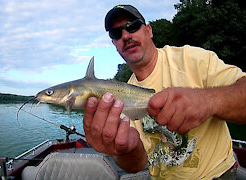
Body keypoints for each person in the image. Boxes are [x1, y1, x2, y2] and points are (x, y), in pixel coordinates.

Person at [83, 4, 246, 179]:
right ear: (114, 44)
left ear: (149, 30)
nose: (125, 36)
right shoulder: (119, 98)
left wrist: (208, 100)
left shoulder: (192, 59)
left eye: (132, 26)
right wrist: (124, 150)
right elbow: (137, 164)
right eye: (116, 33)